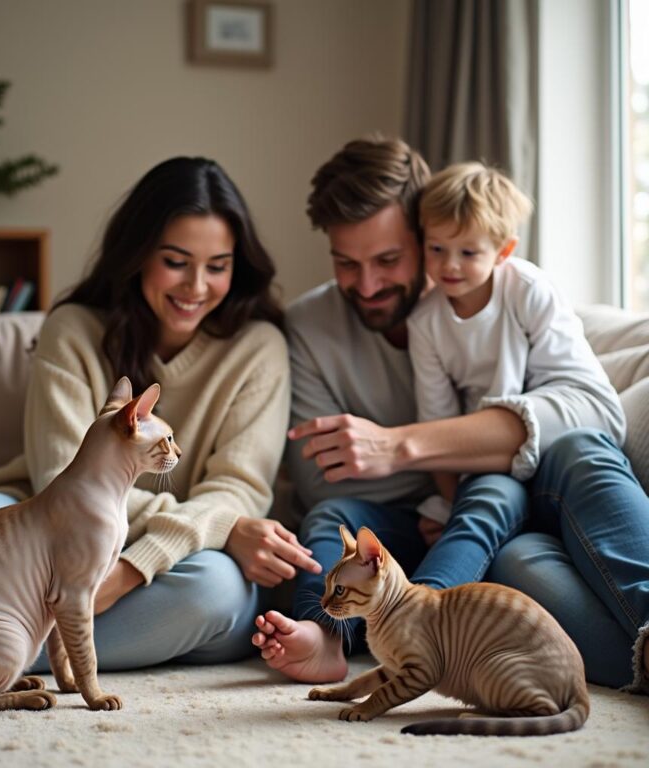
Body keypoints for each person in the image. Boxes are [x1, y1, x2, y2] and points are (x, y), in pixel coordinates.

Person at [0, 155, 321, 679]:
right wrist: (218, 525)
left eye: (218, 266)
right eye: (176, 261)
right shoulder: (73, 329)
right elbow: (62, 477)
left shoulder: (259, 348)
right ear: (137, 254)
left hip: (179, 557)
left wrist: (134, 567)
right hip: (43, 527)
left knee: (217, 592)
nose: (196, 286)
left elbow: (237, 492)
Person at [251, 136, 649, 693]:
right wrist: (459, 476)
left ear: (427, 234)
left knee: (577, 460)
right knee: (339, 517)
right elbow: (323, 479)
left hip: (521, 502)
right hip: (418, 532)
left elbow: (597, 411)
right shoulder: (313, 329)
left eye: (388, 259)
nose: (366, 285)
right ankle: (324, 637)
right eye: (346, 263)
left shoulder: (506, 291)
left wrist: (398, 445)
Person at [408, 161, 624, 537]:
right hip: (488, 463)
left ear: (503, 250)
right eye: (437, 248)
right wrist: (451, 503)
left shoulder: (527, 290)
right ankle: (429, 594)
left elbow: (590, 400)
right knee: (481, 505)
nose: (449, 265)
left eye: (469, 253)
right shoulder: (424, 323)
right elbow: (435, 430)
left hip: (553, 450)